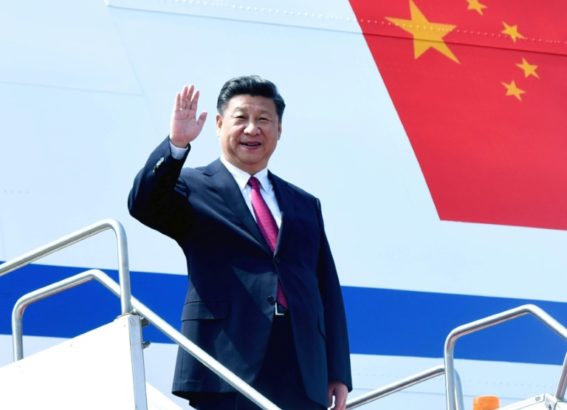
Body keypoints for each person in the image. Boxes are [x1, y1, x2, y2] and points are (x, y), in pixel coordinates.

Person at [128, 75, 352, 409]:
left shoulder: (304, 204)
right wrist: (176, 145)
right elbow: (143, 204)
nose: (252, 129)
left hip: (301, 367)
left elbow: (325, 288)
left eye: (263, 119)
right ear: (219, 124)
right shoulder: (191, 186)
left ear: (279, 129)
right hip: (226, 360)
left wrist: (337, 370)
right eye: (241, 118)